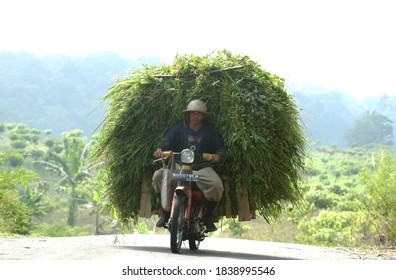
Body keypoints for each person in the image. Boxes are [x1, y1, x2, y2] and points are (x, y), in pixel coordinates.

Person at [152, 99, 225, 232]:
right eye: (192, 114)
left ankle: (207, 217)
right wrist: (159, 149)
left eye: (198, 114)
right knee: (158, 176)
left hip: (201, 168)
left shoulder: (210, 130)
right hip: (179, 166)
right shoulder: (179, 128)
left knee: (217, 186)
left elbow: (220, 147)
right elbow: (165, 141)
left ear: (203, 116)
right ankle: (166, 212)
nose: (195, 116)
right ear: (188, 114)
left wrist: (217, 156)